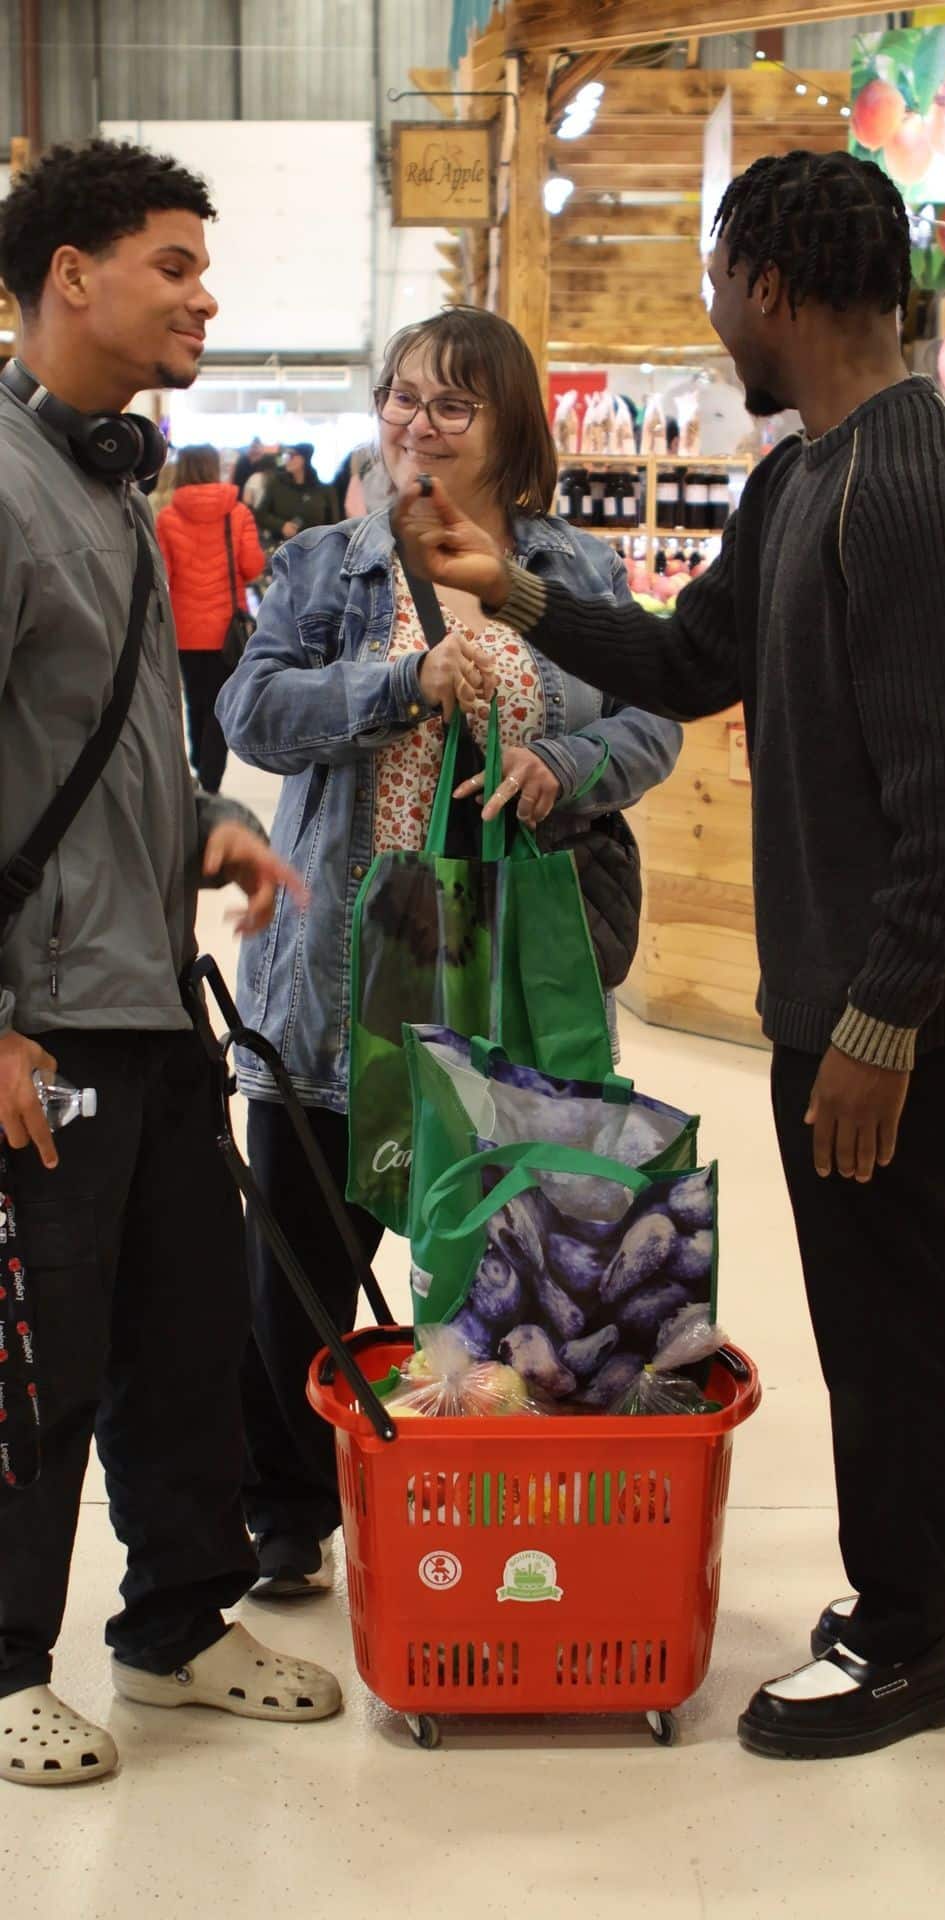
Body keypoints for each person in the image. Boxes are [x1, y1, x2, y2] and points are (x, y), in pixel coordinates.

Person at [396, 153, 945, 1761]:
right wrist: (527, 596)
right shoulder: (803, 478)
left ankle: (908, 1637)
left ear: (769, 284)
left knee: (876, 1305)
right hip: (868, 976)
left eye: (715, 277)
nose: (709, 310)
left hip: (897, 991)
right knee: (911, 1277)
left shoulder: (905, 483)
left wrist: (882, 1022)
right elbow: (694, 662)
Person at [217, 306, 682, 1598]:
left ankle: (491, 1472)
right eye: (403, 398)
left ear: (511, 432)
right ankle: (288, 1512)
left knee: (504, 1235)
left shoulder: (573, 576)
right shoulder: (325, 567)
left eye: (453, 406)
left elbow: (658, 717)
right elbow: (249, 711)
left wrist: (566, 763)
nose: (418, 425)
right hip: (344, 960)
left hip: (511, 958)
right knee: (302, 1256)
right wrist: (396, 690)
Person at [0, 137, 342, 1791]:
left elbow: (117, 737)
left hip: (148, 995)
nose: (205, 294)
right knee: (36, 1351)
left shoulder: (120, 485)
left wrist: (207, 815)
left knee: (180, 1326)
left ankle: (180, 1625)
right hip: (41, 1015)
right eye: (176, 265)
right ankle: (4, 1665)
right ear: (74, 274)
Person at [156, 442, 265, 793]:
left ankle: (199, 764)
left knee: (195, 701)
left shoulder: (168, 517)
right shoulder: (238, 514)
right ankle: (210, 781)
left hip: (185, 627)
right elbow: (252, 568)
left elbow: (164, 576)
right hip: (226, 630)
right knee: (220, 707)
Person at [254, 441, 338, 548]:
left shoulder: (325, 490)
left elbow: (334, 526)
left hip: (315, 550)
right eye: (286, 456)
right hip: (282, 548)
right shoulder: (276, 484)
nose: (287, 459)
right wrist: (281, 526)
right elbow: (260, 514)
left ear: (304, 459)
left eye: (292, 455)